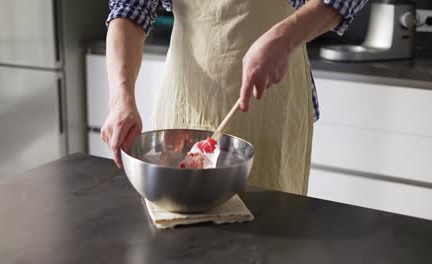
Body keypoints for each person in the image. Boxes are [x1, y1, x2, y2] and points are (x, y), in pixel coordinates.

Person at [101, 0, 368, 195]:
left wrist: (285, 37)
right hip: (185, 100)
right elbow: (128, 10)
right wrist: (121, 99)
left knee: (269, 238)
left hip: (273, 102)